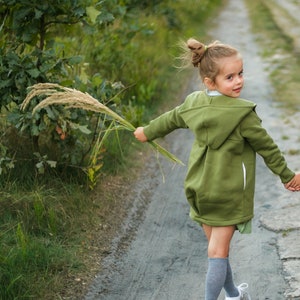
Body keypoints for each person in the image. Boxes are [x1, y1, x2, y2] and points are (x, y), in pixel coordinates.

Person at [133, 38, 300, 300]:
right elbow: (268, 148)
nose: (239, 81)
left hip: (200, 188)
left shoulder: (193, 104)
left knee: (217, 250)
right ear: (210, 82)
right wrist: (288, 176)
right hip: (228, 194)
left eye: (240, 74)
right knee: (217, 253)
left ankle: (233, 295)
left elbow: (170, 119)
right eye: (230, 77)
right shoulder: (243, 115)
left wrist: (146, 131)